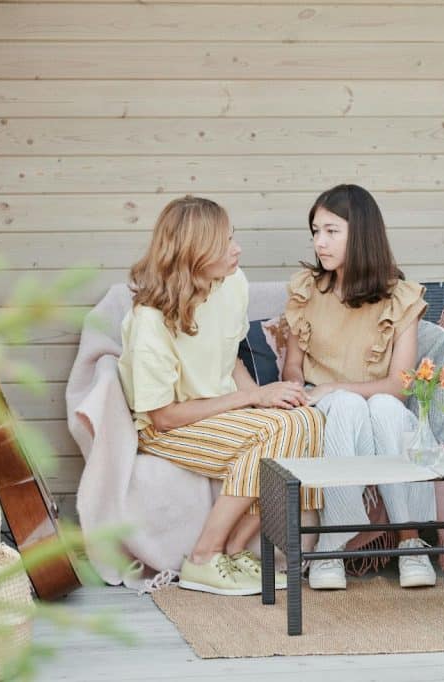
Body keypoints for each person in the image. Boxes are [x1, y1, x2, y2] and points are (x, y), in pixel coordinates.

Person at [118, 196, 325, 596]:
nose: (237, 249)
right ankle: (202, 557)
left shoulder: (233, 284)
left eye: (234, 238)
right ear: (194, 253)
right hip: (169, 427)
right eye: (225, 243)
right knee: (273, 434)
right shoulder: (150, 323)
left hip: (219, 413)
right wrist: (252, 400)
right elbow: (162, 417)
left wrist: (267, 398)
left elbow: (230, 361)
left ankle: (232, 550)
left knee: (305, 419)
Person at [283, 183, 437, 590]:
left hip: (378, 402)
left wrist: (337, 390)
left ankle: (411, 542)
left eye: (332, 231)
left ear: (361, 233)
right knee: (348, 407)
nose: (320, 242)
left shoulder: (400, 297)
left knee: (385, 409)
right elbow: (292, 368)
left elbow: (399, 386)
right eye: (316, 231)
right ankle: (332, 548)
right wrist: (300, 389)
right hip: (326, 408)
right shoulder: (306, 289)